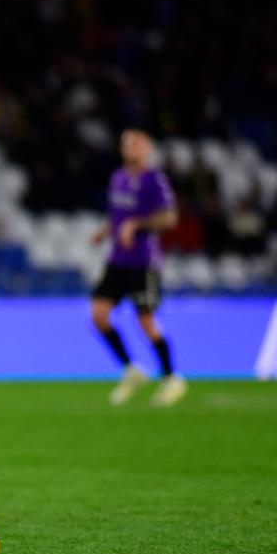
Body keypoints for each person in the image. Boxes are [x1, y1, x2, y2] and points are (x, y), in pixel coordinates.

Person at [89, 129, 187, 407]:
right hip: (117, 260)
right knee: (98, 315)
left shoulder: (154, 180)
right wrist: (105, 231)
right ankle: (132, 369)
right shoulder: (118, 178)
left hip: (143, 261)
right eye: (125, 144)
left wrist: (137, 225)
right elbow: (117, 216)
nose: (129, 148)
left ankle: (171, 378)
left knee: (145, 321)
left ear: (147, 149)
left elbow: (169, 218)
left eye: (135, 143)